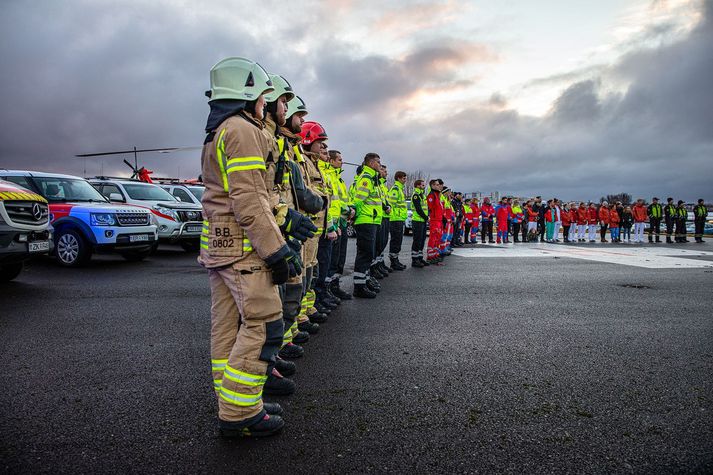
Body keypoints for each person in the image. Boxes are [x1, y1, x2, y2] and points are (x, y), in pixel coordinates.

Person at [200, 57, 308, 437]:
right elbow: (250, 199)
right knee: (264, 325)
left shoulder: (220, 130)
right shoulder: (242, 130)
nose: (269, 105)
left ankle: (232, 402)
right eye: (264, 98)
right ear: (246, 96)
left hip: (222, 247)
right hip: (245, 248)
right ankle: (240, 413)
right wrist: (276, 250)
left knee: (227, 329)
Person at [351, 153, 382, 298]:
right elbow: (358, 200)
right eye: (377, 162)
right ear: (370, 163)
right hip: (365, 220)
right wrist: (353, 214)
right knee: (365, 254)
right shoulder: (366, 178)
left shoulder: (372, 178)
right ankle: (359, 287)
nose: (379, 165)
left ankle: (365, 281)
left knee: (368, 254)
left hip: (371, 220)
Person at [325, 150, 354, 300]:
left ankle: (335, 286)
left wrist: (350, 208)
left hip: (341, 221)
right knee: (330, 260)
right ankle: (328, 288)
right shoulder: (329, 176)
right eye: (339, 160)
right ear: (331, 161)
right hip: (333, 223)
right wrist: (347, 209)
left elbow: (341, 199)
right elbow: (331, 201)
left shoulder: (340, 179)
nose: (342, 162)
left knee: (339, 259)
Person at [388, 171, 408, 270]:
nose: (405, 180)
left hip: (399, 218)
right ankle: (393, 262)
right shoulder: (395, 189)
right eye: (404, 178)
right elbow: (391, 203)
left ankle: (396, 260)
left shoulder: (399, 189)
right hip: (395, 218)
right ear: (399, 178)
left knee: (398, 241)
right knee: (395, 241)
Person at [410, 179, 429, 267]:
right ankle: (415, 260)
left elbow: (425, 208)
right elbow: (418, 209)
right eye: (422, 185)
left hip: (423, 221)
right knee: (417, 241)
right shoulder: (416, 195)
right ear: (417, 186)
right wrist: (426, 217)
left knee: (422, 240)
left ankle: (420, 258)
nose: (424, 186)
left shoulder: (422, 195)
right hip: (417, 221)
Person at [426, 179, 445, 263]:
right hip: (434, 220)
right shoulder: (431, 195)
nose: (439, 186)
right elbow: (430, 208)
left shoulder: (437, 195)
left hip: (439, 219)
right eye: (437, 185)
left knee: (438, 238)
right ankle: (430, 256)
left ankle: (435, 254)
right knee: (433, 238)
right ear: (433, 186)